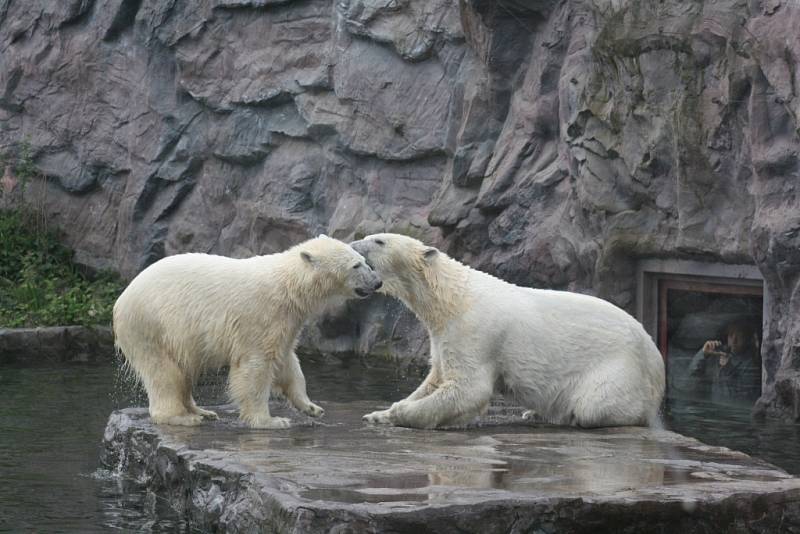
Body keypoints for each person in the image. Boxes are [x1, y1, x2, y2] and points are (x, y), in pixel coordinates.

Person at [686, 320, 761, 403]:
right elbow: (692, 373)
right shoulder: (717, 354)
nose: (734, 340)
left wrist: (728, 368)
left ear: (747, 339)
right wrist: (703, 353)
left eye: (740, 336)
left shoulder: (750, 364)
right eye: (731, 335)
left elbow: (744, 396)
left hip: (733, 413)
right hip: (714, 409)